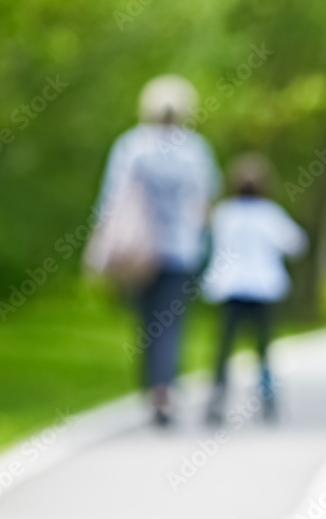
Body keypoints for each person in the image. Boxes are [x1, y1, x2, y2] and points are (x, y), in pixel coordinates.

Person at [95, 74, 221, 425]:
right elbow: (205, 203)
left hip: (136, 251)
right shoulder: (195, 149)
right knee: (171, 322)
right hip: (181, 250)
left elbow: (111, 199)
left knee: (145, 321)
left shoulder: (131, 145)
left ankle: (153, 388)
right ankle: (164, 389)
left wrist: (101, 241)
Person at [202, 153, 308, 424]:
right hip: (263, 288)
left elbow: (208, 241)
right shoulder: (271, 214)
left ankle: (216, 398)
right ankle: (268, 400)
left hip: (231, 288)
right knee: (262, 348)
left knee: (224, 348)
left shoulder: (224, 213)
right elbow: (296, 244)